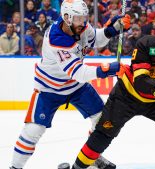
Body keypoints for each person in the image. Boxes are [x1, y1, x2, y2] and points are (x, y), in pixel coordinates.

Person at [64, 13, 155, 169]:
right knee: (103, 134)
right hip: (126, 96)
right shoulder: (145, 44)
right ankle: (77, 168)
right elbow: (140, 80)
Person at [9, 0, 130, 168]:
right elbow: (79, 73)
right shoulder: (57, 38)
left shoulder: (80, 26)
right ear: (67, 17)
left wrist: (114, 28)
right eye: (79, 18)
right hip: (49, 89)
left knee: (102, 120)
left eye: (84, 17)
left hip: (75, 87)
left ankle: (92, 156)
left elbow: (96, 39)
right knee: (33, 131)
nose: (83, 22)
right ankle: (15, 167)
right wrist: (107, 69)